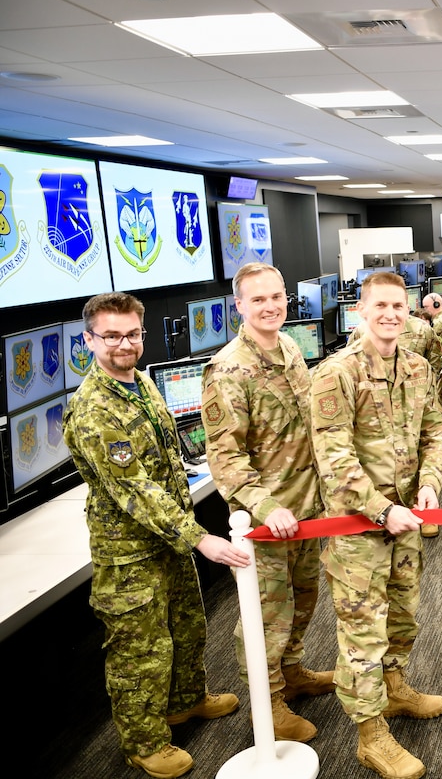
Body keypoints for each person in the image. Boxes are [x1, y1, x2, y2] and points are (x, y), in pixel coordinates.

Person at [64, 292, 248, 779]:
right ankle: (144, 743)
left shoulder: (139, 384)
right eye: (111, 336)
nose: (124, 344)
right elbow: (136, 489)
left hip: (165, 541)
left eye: (132, 334)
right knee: (139, 652)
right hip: (129, 554)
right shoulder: (95, 409)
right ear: (88, 341)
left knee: (187, 627)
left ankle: (186, 702)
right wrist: (198, 536)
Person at [309, 270, 442, 779]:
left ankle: (394, 690)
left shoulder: (417, 366)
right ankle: (370, 735)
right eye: (381, 306)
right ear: (360, 312)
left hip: (408, 520)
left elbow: (436, 433)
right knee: (362, 633)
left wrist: (430, 484)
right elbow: (334, 459)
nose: (391, 314)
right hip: (357, 530)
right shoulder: (335, 374)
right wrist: (382, 509)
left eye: (399, 305)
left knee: (404, 615)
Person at [201, 263, 334, 744]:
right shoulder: (228, 370)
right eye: (258, 299)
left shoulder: (291, 347)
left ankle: (292, 672)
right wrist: (264, 507)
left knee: (303, 602)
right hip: (267, 520)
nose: (271, 306)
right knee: (265, 615)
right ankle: (268, 700)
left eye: (276, 296)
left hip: (308, 511)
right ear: (239, 305)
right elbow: (226, 457)